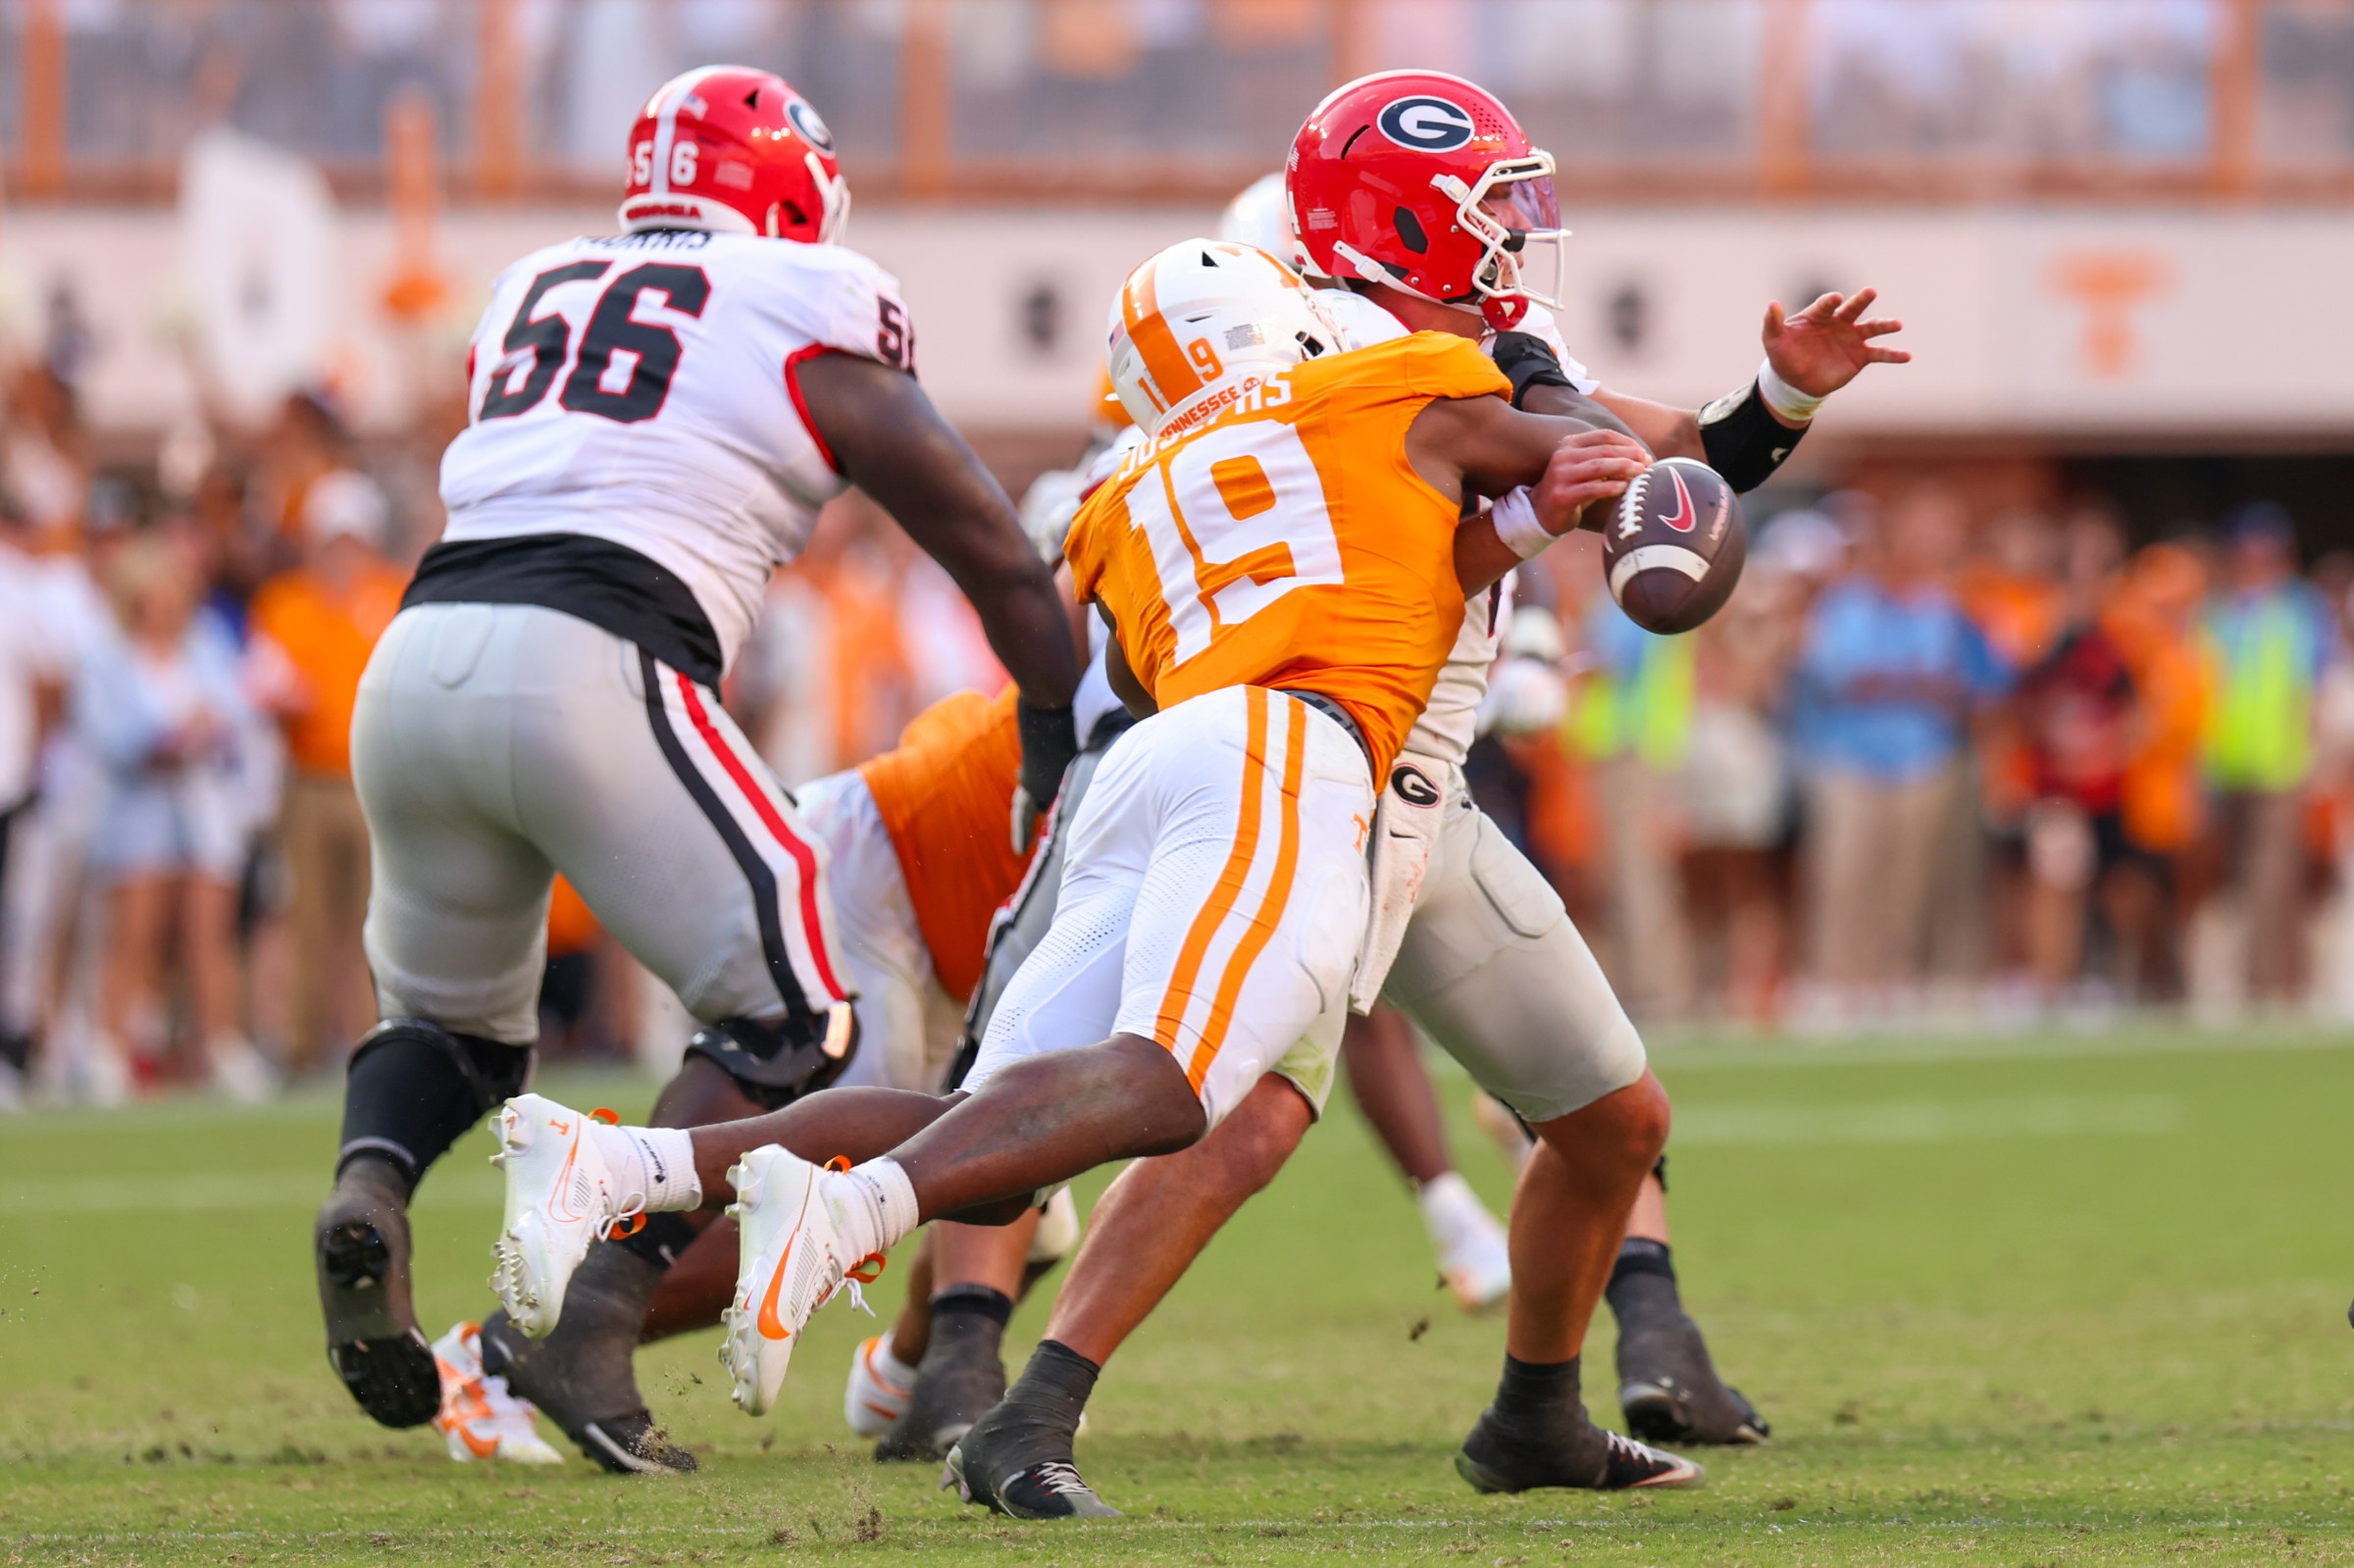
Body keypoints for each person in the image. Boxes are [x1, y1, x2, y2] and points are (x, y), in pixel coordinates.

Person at [486, 236, 1669, 1505]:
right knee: (1169, 1093)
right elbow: (1595, 459)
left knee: (993, 1123)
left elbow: (1349, 583)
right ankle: (851, 1210)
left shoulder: (1124, 493)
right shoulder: (1381, 386)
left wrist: (1529, 518)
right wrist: (1585, 457)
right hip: (1289, 755)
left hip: (1146, 769)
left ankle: (629, 1168)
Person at [894, 66, 1908, 1488]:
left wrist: (1781, 398)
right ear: (1395, 226)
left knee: (1613, 1117)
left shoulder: (1457, 346)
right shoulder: (1345, 360)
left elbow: (1639, 455)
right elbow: (1583, 473)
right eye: (1485, 207)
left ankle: (1534, 1413)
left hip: (1414, 776)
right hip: (1319, 759)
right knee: (1231, 1107)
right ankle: (1008, 1395)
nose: (1514, 235)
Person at [311, 66, 1082, 1464]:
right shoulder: (813, 297)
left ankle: (369, 1185)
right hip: (600, 655)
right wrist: (1052, 712)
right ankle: (591, 1323)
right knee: (800, 1016)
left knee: (453, 1028)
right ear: (791, 189)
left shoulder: (537, 282)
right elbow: (991, 553)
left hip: (416, 655)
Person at [1788, 485, 2009, 1018]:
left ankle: (1891, 978)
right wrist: (1914, 685)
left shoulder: (1948, 606)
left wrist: (1902, 684)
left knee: (1908, 883)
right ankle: (1836, 982)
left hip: (1922, 761)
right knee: (1844, 876)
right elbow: (1842, 679)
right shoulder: (1848, 602)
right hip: (1849, 761)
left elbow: (1973, 684)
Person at [77, 531, 271, 1100]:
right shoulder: (107, 656)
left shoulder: (206, 642)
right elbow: (107, 734)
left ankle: (224, 1046)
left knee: (210, 937)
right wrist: (162, 738)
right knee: (134, 934)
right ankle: (110, 1049)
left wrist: (207, 727)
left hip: (204, 808)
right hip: (140, 810)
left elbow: (234, 709)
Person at [246, 469, 407, 1076]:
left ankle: (377, 1038)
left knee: (380, 919)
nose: (342, 552)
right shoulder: (286, 601)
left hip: (378, 779)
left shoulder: (393, 593)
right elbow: (266, 679)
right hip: (308, 778)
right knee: (306, 917)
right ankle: (300, 1043)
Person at [2195, 502, 2331, 1007]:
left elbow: (2313, 688)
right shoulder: (2218, 614)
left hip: (2281, 763)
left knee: (2273, 877)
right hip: (2225, 764)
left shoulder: (2301, 612)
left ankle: (2269, 984)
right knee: (2230, 879)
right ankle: (2234, 978)